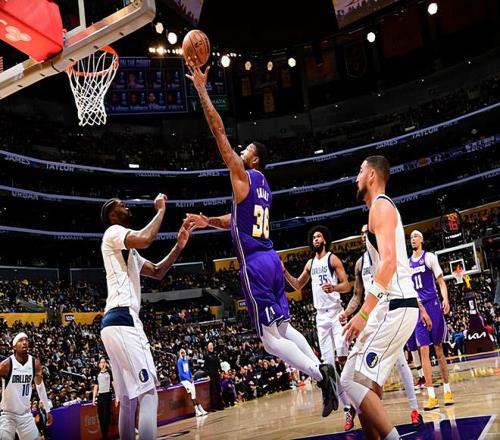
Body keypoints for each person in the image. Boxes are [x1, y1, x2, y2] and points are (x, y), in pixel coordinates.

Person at [184, 64, 338, 418]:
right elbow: (235, 220)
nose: (239, 151)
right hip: (271, 260)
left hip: (254, 265)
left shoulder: (242, 175)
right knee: (283, 327)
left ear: (253, 158)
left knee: (270, 341)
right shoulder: (263, 186)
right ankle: (322, 367)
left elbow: (218, 133)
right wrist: (207, 221)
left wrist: (202, 90)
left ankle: (320, 373)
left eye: (246, 149)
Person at [340, 156, 421, 440]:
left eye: (360, 171)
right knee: (362, 383)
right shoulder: (377, 209)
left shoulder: (381, 206)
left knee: (351, 381)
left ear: (372, 175)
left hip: (396, 305)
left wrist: (363, 313)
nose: (356, 178)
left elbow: (388, 264)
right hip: (389, 306)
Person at [99, 196, 193, 440]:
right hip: (123, 318)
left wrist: (178, 246)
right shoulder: (113, 232)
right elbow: (146, 238)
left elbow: (158, 271)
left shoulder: (128, 251)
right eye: (121, 205)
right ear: (112, 215)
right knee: (149, 392)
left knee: (128, 399)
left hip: (113, 322)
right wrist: (161, 211)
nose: (127, 206)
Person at [341, 224, 426, 429]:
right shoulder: (360, 263)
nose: (364, 235)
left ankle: (414, 409)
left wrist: (421, 308)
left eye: (366, 232)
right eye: (362, 233)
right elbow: (357, 295)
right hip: (370, 313)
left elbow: (402, 283)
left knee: (400, 362)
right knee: (361, 370)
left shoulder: (387, 252)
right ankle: (368, 413)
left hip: (389, 309)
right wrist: (347, 312)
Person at [282, 225, 355, 430]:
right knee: (328, 368)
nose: (315, 239)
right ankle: (348, 408)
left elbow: (347, 285)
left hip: (336, 313)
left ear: (324, 240)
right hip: (321, 317)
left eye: (319, 236)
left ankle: (359, 395)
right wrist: (284, 271)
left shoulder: (332, 259)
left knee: (343, 358)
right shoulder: (310, 263)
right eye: (313, 236)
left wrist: (334, 287)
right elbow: (298, 285)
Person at [409, 229, 454, 410]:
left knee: (439, 349)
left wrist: (446, 299)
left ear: (422, 239)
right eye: (411, 237)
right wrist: (420, 309)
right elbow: (409, 290)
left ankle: (447, 390)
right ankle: (431, 396)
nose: (412, 239)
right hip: (418, 308)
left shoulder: (429, 258)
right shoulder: (407, 264)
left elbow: (441, 282)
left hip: (433, 305)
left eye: (415, 236)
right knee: (423, 351)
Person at [0, 333, 53, 440]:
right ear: (14, 347)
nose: (24, 342)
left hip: (25, 414)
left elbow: (40, 387)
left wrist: (47, 409)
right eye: (20, 340)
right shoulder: (6, 365)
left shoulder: (34, 363)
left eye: (26, 340)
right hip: (8, 414)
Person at [177, 349, 207, 417]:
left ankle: (200, 409)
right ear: (180, 354)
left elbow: (189, 370)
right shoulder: (179, 361)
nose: (183, 354)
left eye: (184, 353)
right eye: (182, 353)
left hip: (190, 379)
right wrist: (188, 379)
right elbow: (181, 373)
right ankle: (197, 410)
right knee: (191, 393)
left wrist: (191, 377)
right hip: (184, 380)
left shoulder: (186, 360)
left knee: (194, 393)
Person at [92, 357, 114, 440]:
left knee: (106, 417)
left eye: (104, 362)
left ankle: (105, 435)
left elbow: (113, 383)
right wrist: (94, 398)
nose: (103, 363)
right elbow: (95, 387)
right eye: (101, 362)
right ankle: (104, 435)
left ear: (106, 363)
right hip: (100, 397)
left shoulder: (109, 372)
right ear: (99, 364)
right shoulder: (97, 374)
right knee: (101, 417)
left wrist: (117, 395)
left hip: (107, 396)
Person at [204, 342, 224, 411]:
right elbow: (205, 367)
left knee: (218, 390)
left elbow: (218, 364)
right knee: (213, 391)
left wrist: (221, 371)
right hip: (211, 375)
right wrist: (207, 375)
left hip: (217, 375)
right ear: (207, 348)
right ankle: (213, 407)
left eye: (212, 345)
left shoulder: (215, 354)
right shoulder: (206, 356)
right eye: (209, 346)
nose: (211, 347)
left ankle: (220, 406)